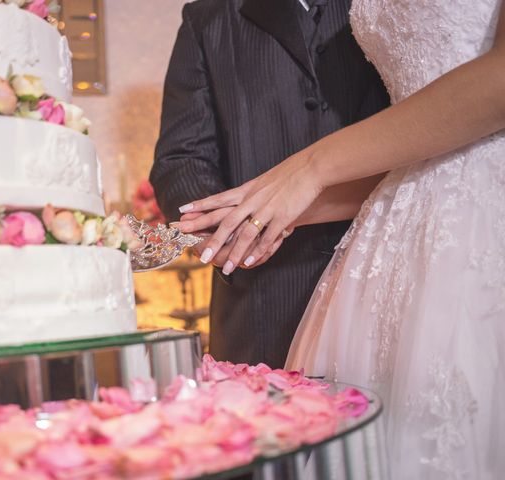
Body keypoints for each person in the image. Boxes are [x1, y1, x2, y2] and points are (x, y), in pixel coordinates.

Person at [178, 0, 505, 477]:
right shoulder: (209, 19)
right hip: (385, 248)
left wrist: (311, 167)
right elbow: (415, 152)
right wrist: (258, 214)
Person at [150, 0, 389, 368]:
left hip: (388, 280)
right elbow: (180, 161)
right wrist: (225, 232)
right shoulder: (207, 19)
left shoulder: (393, 8)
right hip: (262, 300)